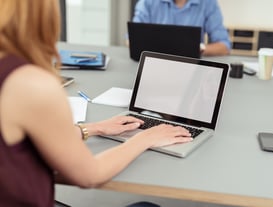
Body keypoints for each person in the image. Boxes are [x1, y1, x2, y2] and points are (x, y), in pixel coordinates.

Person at [0, 1, 193, 206]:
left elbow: (26, 136)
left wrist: (92, 128)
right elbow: (90, 175)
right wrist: (145, 138)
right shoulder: (31, 84)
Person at [132, 0, 231, 56]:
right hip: (152, 65)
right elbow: (131, 39)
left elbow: (224, 46)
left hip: (192, 68)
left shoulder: (208, 3)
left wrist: (199, 49)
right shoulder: (147, 2)